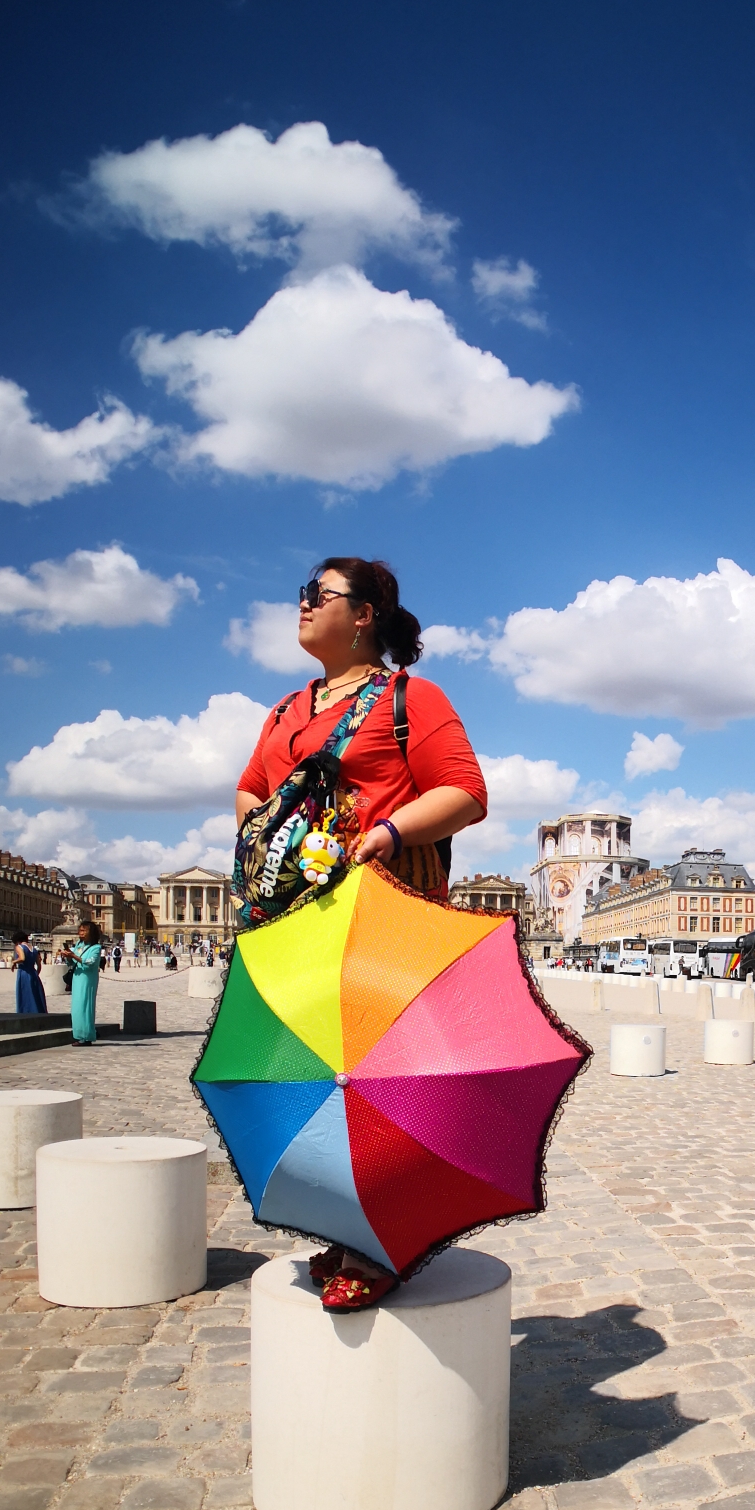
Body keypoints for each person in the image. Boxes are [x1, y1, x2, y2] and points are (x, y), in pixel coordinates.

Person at [235, 557, 488, 1312]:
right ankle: (347, 1223)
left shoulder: (411, 697)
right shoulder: (284, 710)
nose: (305, 604)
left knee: (381, 1076)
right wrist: (271, 839)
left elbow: (465, 791)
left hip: (380, 907)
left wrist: (384, 831)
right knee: (314, 1073)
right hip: (297, 914)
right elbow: (251, 787)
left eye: (321, 594)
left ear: (366, 613)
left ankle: (381, 1239)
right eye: (303, 593)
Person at [61, 921, 104, 1045]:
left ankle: (87, 1035)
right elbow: (72, 963)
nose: (81, 933)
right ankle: (79, 1034)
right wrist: (68, 956)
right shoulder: (79, 945)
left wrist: (74, 956)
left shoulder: (96, 947)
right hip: (77, 977)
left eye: (84, 930)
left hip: (87, 979)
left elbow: (90, 962)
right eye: (80, 930)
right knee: (77, 1007)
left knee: (85, 1006)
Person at [14, 934, 47, 1015]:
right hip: (33, 972)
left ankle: (25, 1012)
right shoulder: (34, 949)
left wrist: (14, 962)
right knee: (35, 995)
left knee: (25, 994)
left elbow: (22, 958)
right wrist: (36, 974)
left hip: (24, 972)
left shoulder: (19, 947)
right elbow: (39, 965)